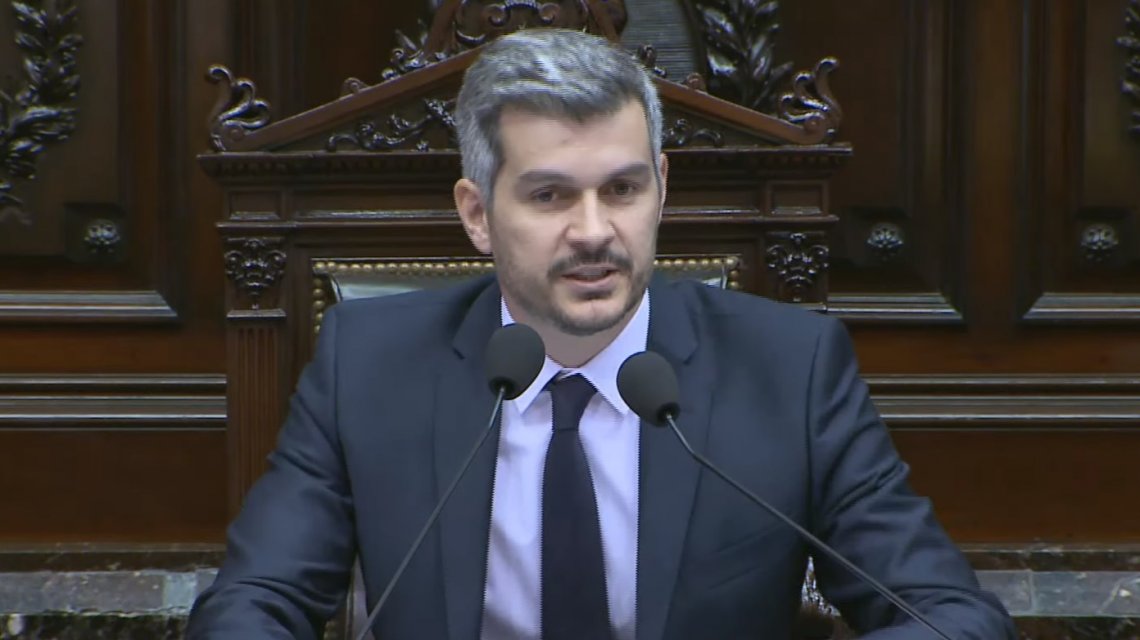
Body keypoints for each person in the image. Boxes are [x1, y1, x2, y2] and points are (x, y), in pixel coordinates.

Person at [188, 28, 1015, 640]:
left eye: (621, 189)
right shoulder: (368, 366)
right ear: (478, 214)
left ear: (661, 188)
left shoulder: (789, 369)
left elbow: (950, 616)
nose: (594, 232)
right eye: (549, 196)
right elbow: (253, 602)